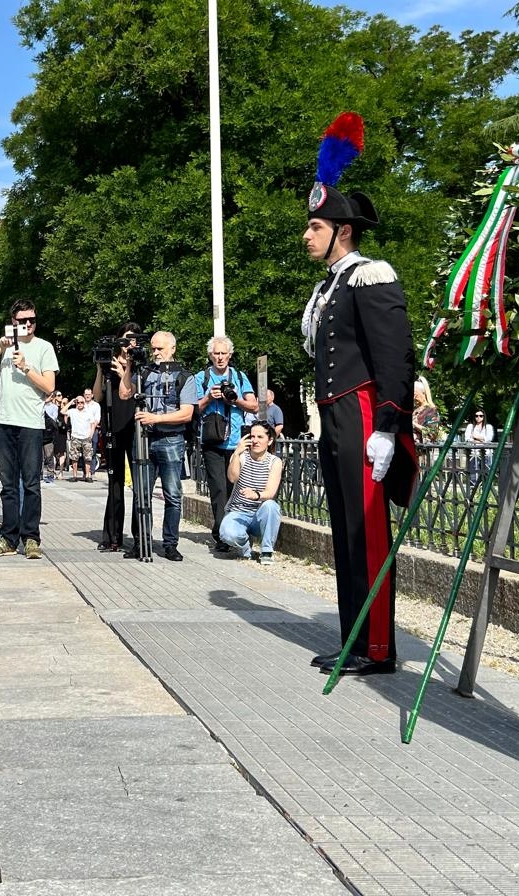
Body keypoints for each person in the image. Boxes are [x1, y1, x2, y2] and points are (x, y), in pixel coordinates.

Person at [300, 112, 416, 679]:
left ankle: (375, 648)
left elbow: (394, 358)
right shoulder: (332, 284)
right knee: (345, 529)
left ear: (341, 230)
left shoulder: (371, 275)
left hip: (364, 413)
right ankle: (353, 638)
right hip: (335, 417)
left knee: (366, 530)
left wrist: (388, 427)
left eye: (315, 227)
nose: (307, 234)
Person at [0, 300, 59, 559]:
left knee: (32, 484)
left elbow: (49, 386)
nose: (28, 324)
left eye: (32, 320)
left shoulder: (44, 347)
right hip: (5, 421)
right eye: (22, 320)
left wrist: (26, 367)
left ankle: (31, 538)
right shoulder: (4, 344)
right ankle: (8, 538)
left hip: (31, 424)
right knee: (9, 484)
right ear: (13, 321)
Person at [115, 330, 194, 561]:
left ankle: (170, 544)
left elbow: (187, 413)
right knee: (141, 495)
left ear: (172, 349)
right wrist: (129, 366)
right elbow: (123, 394)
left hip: (171, 439)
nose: (155, 352)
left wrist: (156, 418)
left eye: (160, 348)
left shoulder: (184, 376)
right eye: (153, 348)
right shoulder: (144, 371)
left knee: (172, 495)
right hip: (144, 439)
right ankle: (141, 542)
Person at [180, 336, 259, 550]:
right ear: (210, 355)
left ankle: (238, 531)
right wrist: (209, 397)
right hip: (212, 442)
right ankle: (222, 535)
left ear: (230, 355)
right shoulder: (201, 378)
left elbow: (254, 406)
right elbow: (192, 408)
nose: (220, 357)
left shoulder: (240, 377)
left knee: (238, 488)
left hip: (237, 444)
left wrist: (234, 400)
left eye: (224, 353)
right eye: (216, 353)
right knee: (218, 490)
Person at [92, 324, 142, 552]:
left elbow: (132, 392)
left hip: (134, 426)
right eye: (125, 339)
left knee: (139, 483)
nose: (129, 343)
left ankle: (139, 536)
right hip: (112, 424)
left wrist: (125, 372)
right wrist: (101, 370)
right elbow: (97, 396)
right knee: (115, 483)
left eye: (133, 339)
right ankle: (112, 536)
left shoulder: (141, 364)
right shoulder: (109, 364)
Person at [222, 421, 285, 564]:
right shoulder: (241, 456)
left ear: (269, 441)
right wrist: (236, 453)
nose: (255, 441)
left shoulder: (275, 462)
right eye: (252, 436)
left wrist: (256, 494)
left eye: (260, 437)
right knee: (227, 534)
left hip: (259, 514)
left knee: (271, 506)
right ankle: (245, 549)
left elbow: (270, 492)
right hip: (238, 512)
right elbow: (232, 478)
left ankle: (267, 551)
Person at [66, 393, 99, 481]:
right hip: (75, 437)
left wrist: (91, 435)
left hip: (86, 437)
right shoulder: (72, 411)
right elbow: (62, 411)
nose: (80, 404)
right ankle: (75, 475)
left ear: (84, 403)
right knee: (74, 457)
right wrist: (71, 402)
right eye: (78, 402)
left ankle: (88, 475)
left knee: (88, 457)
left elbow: (93, 424)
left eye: (81, 402)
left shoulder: (88, 412)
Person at [462, 409, 496, 488]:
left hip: (486, 452)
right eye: (476, 416)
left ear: (484, 417)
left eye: (481, 416)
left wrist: (475, 437)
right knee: (473, 470)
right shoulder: (470, 426)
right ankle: (473, 487)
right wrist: (481, 439)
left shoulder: (488, 427)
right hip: (474, 452)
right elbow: (467, 438)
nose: (478, 417)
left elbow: (488, 439)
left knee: (486, 469)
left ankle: (486, 487)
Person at [411, 377, 442, 444]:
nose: (413, 397)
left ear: (423, 392)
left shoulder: (431, 410)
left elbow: (432, 433)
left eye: (415, 393)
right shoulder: (414, 410)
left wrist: (413, 424)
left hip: (422, 450)